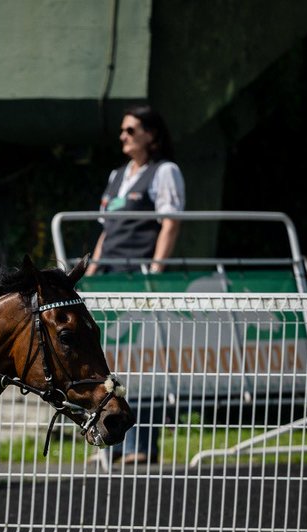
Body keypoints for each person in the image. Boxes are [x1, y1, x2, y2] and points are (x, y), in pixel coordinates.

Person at [87, 105, 185, 466]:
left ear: (152, 134)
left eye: (131, 130)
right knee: (112, 361)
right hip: (109, 276)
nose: (123, 136)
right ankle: (109, 444)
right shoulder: (117, 175)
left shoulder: (165, 171)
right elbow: (105, 232)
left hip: (139, 277)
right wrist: (93, 274)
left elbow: (170, 223)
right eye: (123, 131)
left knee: (146, 362)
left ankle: (142, 445)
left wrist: (156, 272)